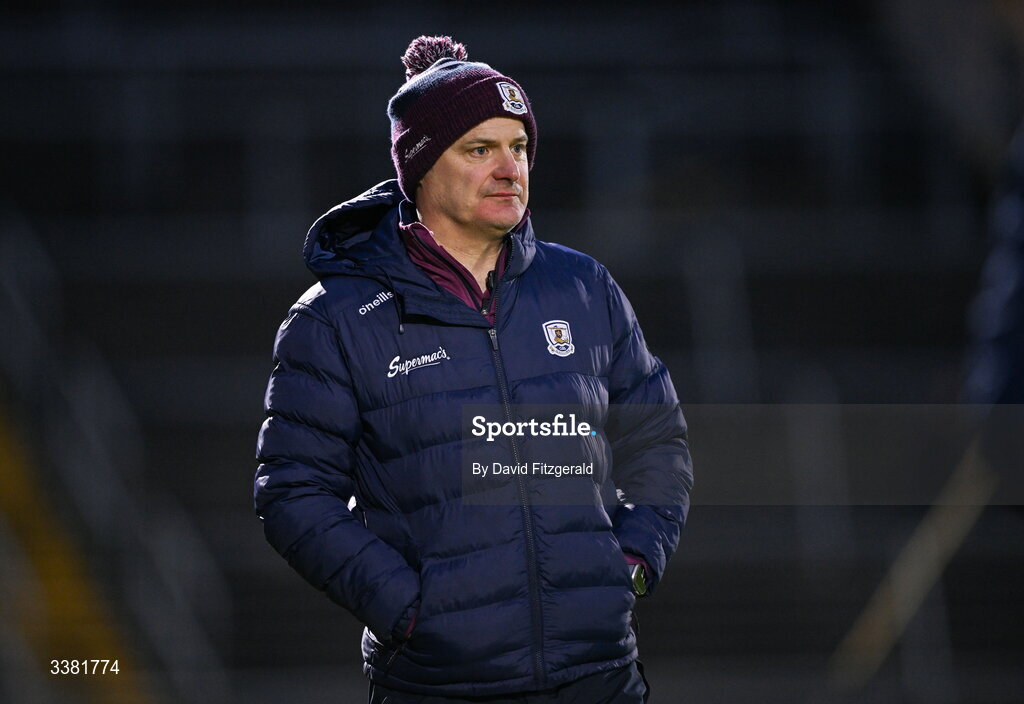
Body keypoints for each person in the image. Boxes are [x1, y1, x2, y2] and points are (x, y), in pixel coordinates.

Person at [254, 35, 693, 703]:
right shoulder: (336, 318)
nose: (509, 168)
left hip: (599, 677)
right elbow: (292, 493)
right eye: (479, 149)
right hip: (439, 685)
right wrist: (409, 610)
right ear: (421, 167)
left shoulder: (583, 286)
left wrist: (631, 562)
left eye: (518, 148)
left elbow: (655, 434)